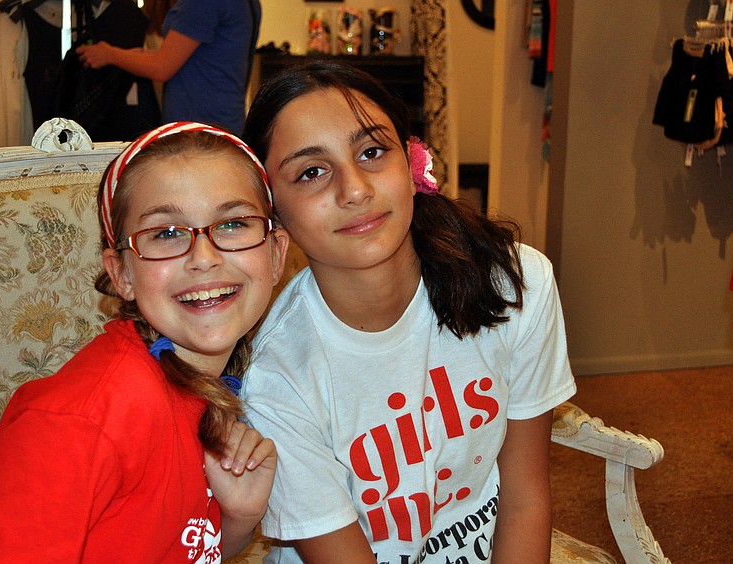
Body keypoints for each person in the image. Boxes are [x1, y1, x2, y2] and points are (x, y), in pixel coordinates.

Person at [239, 60, 577, 563]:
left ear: (413, 163)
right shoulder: (277, 376)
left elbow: (524, 497)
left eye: (372, 152)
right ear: (272, 212)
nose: (355, 189)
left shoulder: (513, 283)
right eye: (311, 172)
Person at [0, 122, 290, 563]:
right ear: (122, 274)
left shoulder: (201, 388)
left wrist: (237, 518)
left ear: (276, 254)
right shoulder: (81, 422)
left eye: (233, 224)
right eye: (167, 233)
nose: (204, 258)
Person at [75, 0, 261, 134]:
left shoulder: (202, 3)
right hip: (223, 121)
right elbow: (190, 58)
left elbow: (162, 68)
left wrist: (109, 54)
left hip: (199, 129)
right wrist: (133, 55)